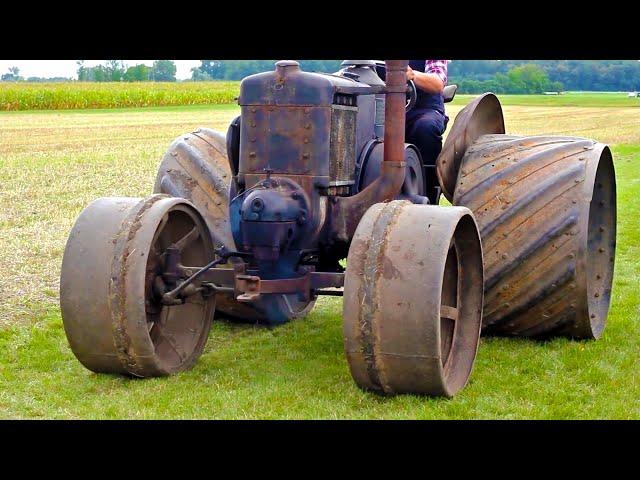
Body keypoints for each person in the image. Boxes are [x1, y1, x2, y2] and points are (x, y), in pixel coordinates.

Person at [405, 60, 449, 204]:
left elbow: (437, 83)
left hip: (425, 109)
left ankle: (429, 194)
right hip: (383, 108)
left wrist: (413, 75)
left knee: (426, 127)